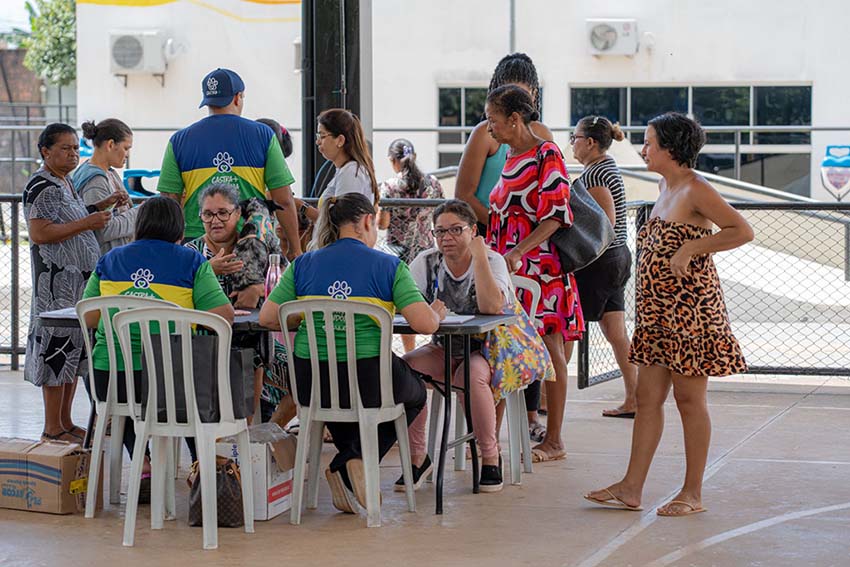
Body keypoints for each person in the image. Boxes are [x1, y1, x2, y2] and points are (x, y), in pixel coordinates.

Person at [585, 113, 752, 517]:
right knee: (647, 399)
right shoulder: (664, 186)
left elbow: (741, 230)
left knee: (689, 400)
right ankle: (631, 487)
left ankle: (692, 493)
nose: (643, 150)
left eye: (649, 143)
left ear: (671, 148)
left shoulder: (697, 188)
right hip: (657, 315)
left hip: (691, 314)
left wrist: (691, 248)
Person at [259, 193, 445, 514]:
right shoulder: (389, 265)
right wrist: (437, 313)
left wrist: (307, 314)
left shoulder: (304, 264)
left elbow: (267, 317)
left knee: (336, 401)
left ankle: (348, 466)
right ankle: (352, 460)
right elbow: (424, 324)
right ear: (367, 222)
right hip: (368, 379)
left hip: (310, 382)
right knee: (415, 394)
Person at [81, 197, 234, 493]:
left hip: (109, 382)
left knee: (121, 390)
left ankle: (142, 462)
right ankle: (201, 465)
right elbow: (223, 316)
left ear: (139, 226)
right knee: (191, 385)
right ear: (179, 229)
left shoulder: (109, 260)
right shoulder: (191, 261)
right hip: (168, 387)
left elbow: (89, 316)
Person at [455, 52, 552, 441]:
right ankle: (488, 430)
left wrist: (524, 233)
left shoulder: (542, 137)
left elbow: (553, 197)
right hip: (492, 248)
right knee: (494, 332)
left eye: (525, 93)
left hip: (532, 250)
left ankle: (531, 415)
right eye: (510, 91)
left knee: (532, 330)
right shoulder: (485, 134)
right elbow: (464, 193)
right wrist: (500, 226)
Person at [486, 85, 584, 463]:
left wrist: (518, 251)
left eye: (493, 120)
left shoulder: (547, 153)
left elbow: (557, 214)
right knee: (504, 346)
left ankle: (555, 439)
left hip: (541, 270)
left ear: (514, 119)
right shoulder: (510, 155)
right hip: (510, 269)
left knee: (551, 349)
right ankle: (491, 441)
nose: (489, 128)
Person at [403, 200, 514, 492]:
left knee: (470, 375)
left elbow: (491, 307)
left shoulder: (492, 261)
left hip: (488, 351)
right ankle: (418, 458)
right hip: (444, 348)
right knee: (405, 368)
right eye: (440, 231)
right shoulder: (426, 262)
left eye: (455, 230)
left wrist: (479, 258)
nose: (446, 238)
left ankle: (490, 456)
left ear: (473, 231)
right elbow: (405, 304)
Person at [23, 123, 120, 442]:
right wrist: (87, 223)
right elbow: (40, 232)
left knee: (73, 352)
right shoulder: (41, 185)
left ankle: (65, 422)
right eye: (65, 148)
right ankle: (52, 426)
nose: (73, 154)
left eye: (76, 148)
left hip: (77, 286)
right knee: (57, 352)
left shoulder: (65, 181)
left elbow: (70, 217)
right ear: (45, 151)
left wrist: (100, 207)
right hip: (56, 287)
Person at [156, 68, 302, 259]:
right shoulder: (263, 135)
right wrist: (295, 248)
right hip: (252, 240)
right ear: (237, 97)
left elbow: (168, 200)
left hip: (198, 241)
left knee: (202, 280)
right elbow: (283, 199)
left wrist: (169, 248)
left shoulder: (179, 140)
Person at [570, 115, 638, 418]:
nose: (572, 143)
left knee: (568, 328)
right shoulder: (607, 167)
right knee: (615, 331)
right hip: (617, 256)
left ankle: (545, 398)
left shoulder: (596, 174)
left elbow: (604, 223)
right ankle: (634, 398)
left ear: (590, 142)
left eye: (575, 138)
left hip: (600, 261)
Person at [377, 138, 444, 352]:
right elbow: (439, 214)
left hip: (397, 254)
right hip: (426, 252)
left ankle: (409, 352)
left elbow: (382, 223)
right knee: (424, 303)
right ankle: (432, 349)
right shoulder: (433, 183)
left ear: (392, 160)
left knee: (402, 306)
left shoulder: (390, 186)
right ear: (414, 157)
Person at [296, 108, 379, 250]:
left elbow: (341, 222)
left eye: (322, 136)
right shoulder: (346, 170)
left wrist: (301, 207)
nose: (318, 142)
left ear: (340, 140)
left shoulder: (351, 173)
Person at [73, 118, 139, 254]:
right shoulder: (95, 180)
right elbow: (105, 230)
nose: (127, 155)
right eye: (126, 148)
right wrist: (141, 212)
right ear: (110, 144)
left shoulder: (109, 172)